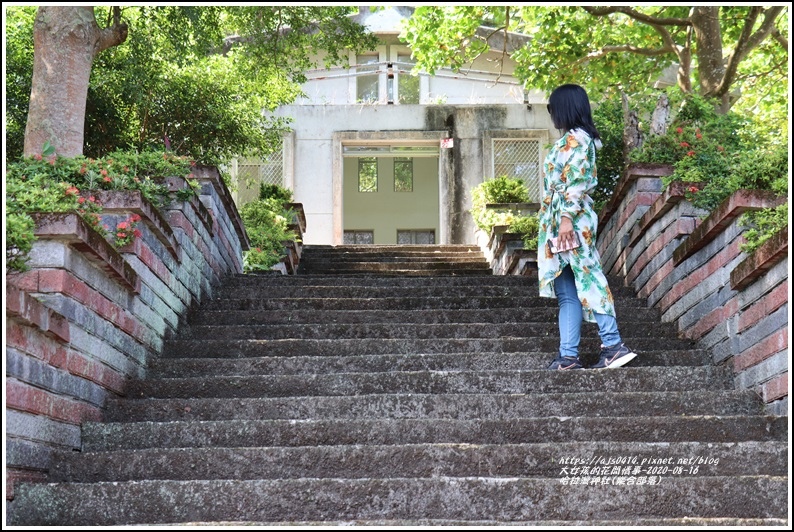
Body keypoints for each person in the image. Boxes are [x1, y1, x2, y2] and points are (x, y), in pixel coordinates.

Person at [537, 84, 637, 370]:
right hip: (560, 223)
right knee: (567, 291)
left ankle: (613, 345)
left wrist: (566, 218)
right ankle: (568, 356)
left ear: (566, 108)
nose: (553, 116)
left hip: (571, 222)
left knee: (588, 279)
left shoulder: (578, 140)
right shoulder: (575, 139)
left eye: (554, 109)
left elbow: (578, 181)